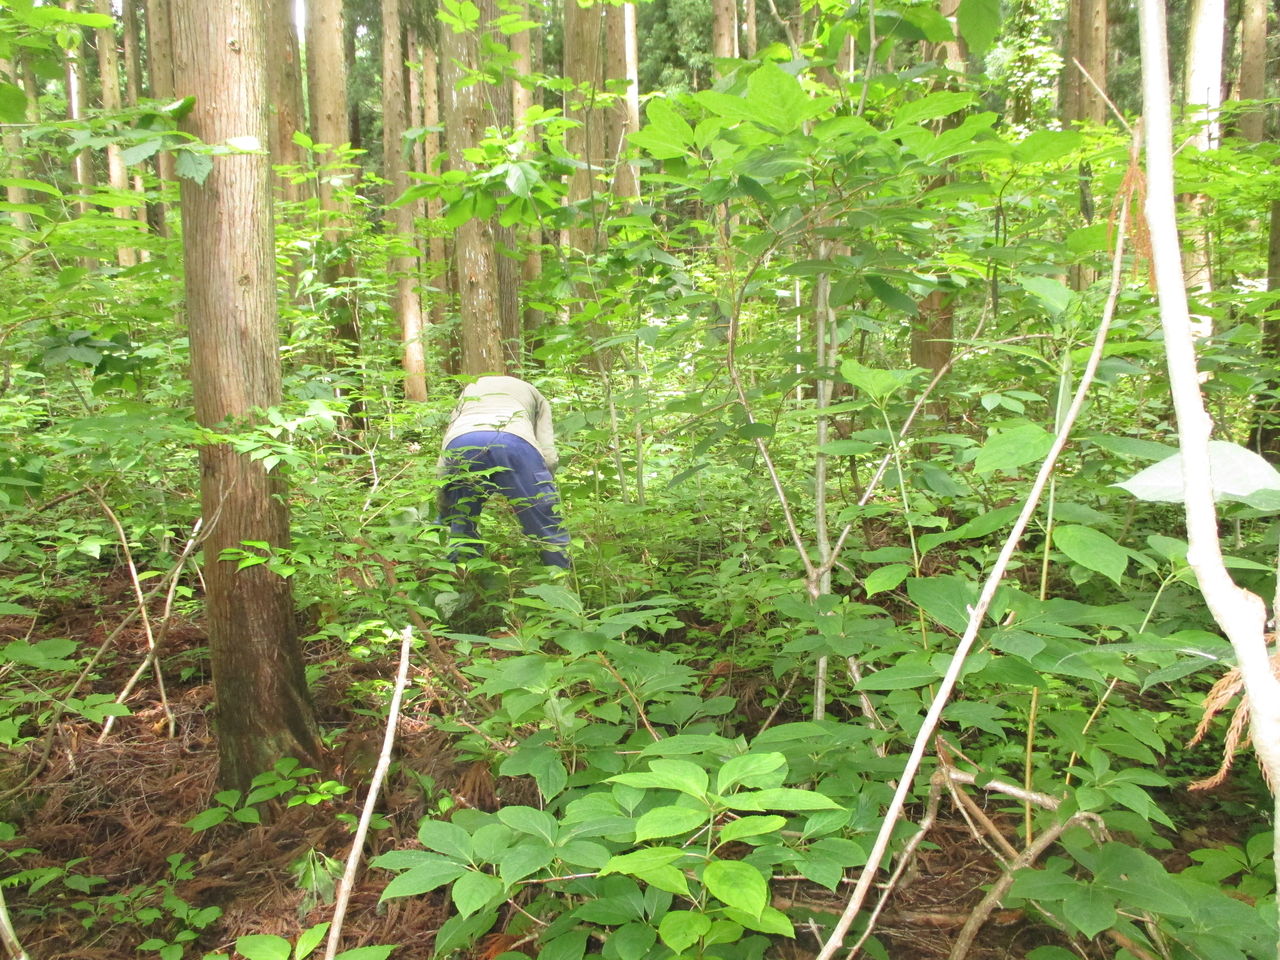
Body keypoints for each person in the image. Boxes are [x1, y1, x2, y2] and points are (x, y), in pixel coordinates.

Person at [437, 375, 571, 569]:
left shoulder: (467, 391)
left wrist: (444, 504)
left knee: (462, 519)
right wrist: (543, 486)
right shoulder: (535, 394)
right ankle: (562, 579)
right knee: (546, 524)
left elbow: (446, 451)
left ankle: (462, 579)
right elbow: (548, 454)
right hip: (515, 442)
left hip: (461, 442)